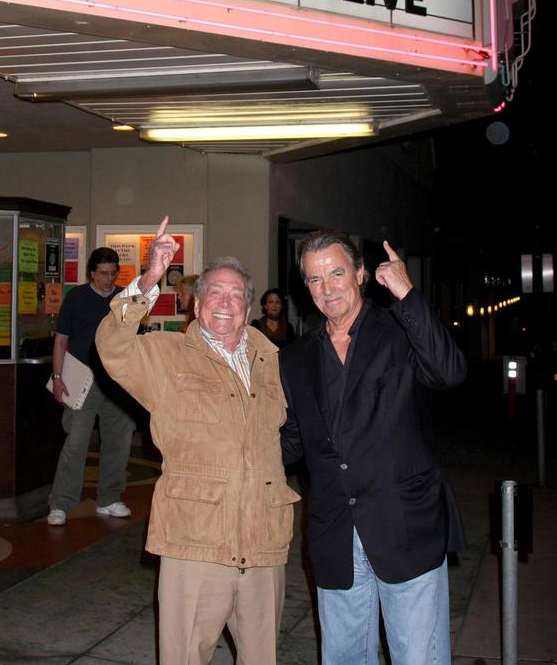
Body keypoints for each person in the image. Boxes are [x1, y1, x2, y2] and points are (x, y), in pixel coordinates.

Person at [96, 231, 299, 665]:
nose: (225, 303)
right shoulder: (166, 356)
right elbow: (111, 347)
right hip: (195, 543)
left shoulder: (275, 362)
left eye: (235, 295)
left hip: (263, 542)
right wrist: (150, 277)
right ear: (196, 302)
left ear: (248, 307)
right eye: (215, 293)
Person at [279, 230, 466, 665]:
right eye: (314, 279)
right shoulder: (296, 357)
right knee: (343, 658)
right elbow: (292, 440)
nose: (327, 288)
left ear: (361, 274)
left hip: (406, 525)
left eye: (337, 272)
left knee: (417, 657)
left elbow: (450, 372)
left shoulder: (401, 329)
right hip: (335, 533)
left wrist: (407, 293)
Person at [47, 244, 166, 526]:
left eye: (112, 273)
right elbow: (61, 340)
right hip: (82, 378)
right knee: (76, 443)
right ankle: (61, 503)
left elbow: (134, 340)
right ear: (91, 272)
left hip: (116, 381)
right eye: (102, 273)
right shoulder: (76, 297)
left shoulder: (122, 298)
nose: (108, 279)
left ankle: (110, 498)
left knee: (119, 442)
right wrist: (57, 377)